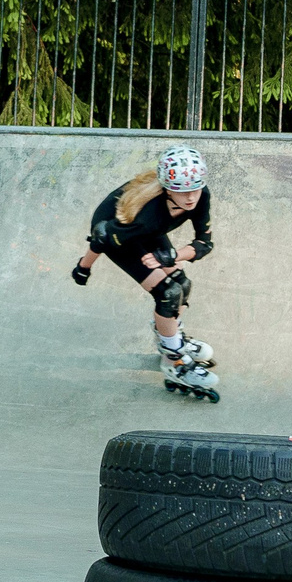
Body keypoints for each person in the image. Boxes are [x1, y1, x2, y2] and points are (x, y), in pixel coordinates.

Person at [74, 144, 218, 401]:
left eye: (195, 188)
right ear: (167, 189)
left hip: (149, 230)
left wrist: (172, 256)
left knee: (182, 284)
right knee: (168, 293)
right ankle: (174, 360)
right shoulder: (147, 215)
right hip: (118, 235)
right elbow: (102, 237)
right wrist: (83, 267)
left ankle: (170, 338)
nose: (190, 198)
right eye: (181, 191)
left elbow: (204, 243)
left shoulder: (200, 195)